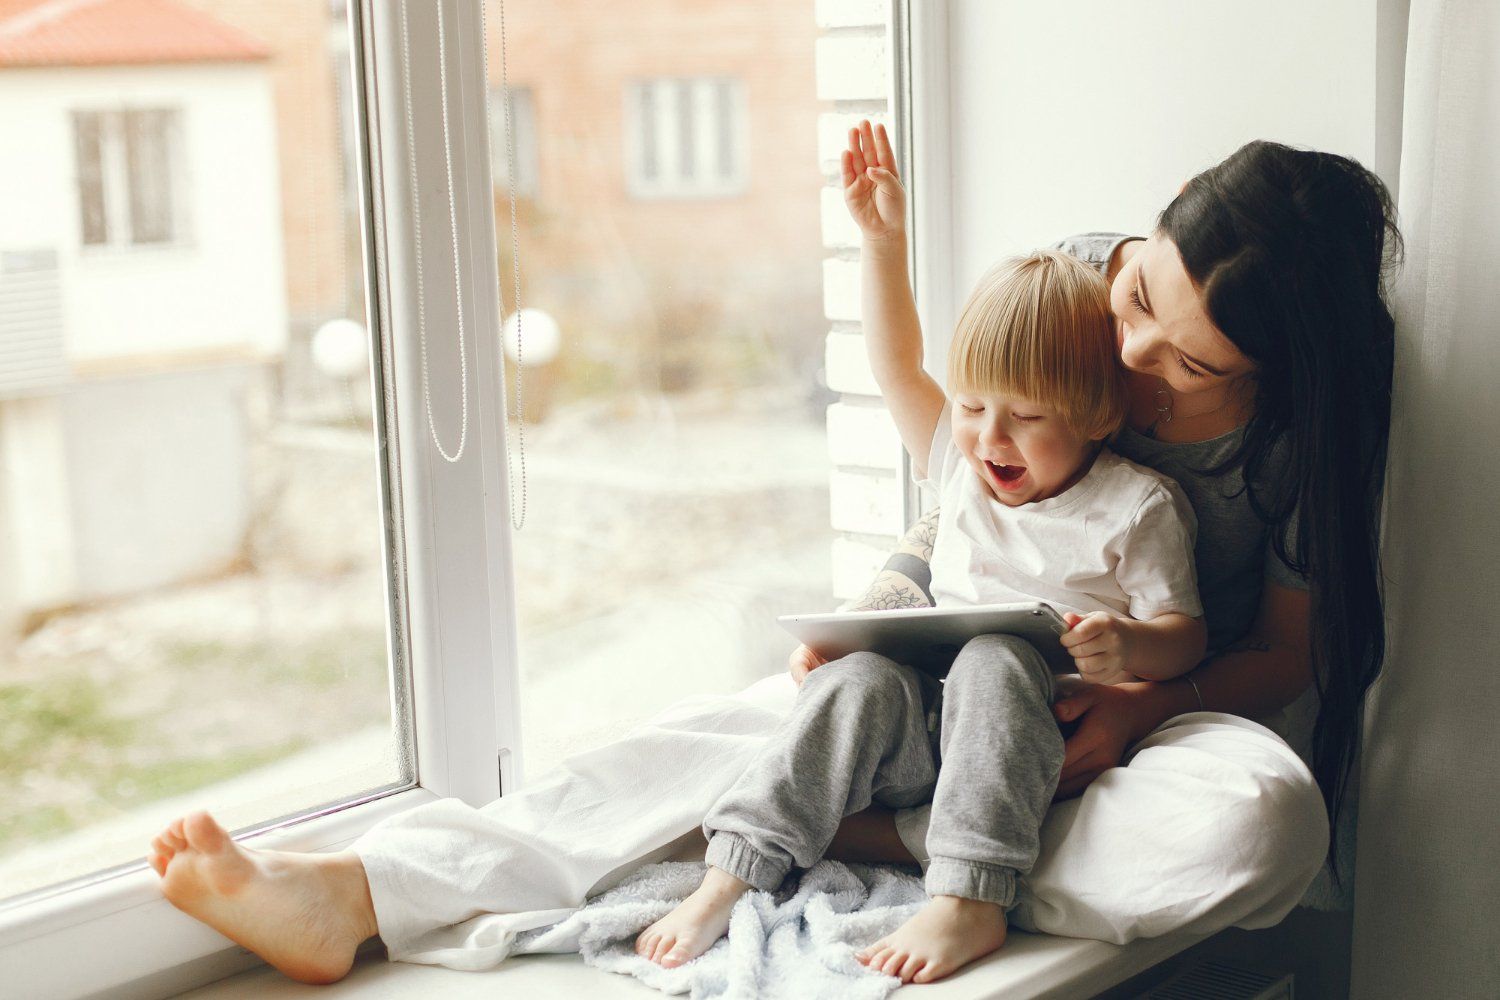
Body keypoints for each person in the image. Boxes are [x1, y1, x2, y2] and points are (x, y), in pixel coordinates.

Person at [146, 125, 1396, 987]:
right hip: (951, 675)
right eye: (1137, 303)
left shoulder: (1301, 434)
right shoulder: (1065, 279)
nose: (1130, 363)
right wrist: (882, 610)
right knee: (730, 730)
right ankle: (363, 892)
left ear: (1275, 375)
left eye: (1189, 366)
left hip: (1140, 715)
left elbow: (1287, 656)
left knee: (1267, 824)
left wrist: (1137, 709)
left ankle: (884, 839)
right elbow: (955, 475)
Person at [635, 218, 1209, 981]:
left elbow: (1188, 635)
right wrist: (878, 245)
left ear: (1097, 416)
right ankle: (733, 871)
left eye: (1026, 416)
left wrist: (1131, 644)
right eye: (972, 408)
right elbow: (897, 366)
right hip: (922, 733)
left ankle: (971, 897)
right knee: (854, 681)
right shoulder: (960, 471)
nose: (989, 438)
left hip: (1029, 742)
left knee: (997, 657)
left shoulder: (1137, 509)